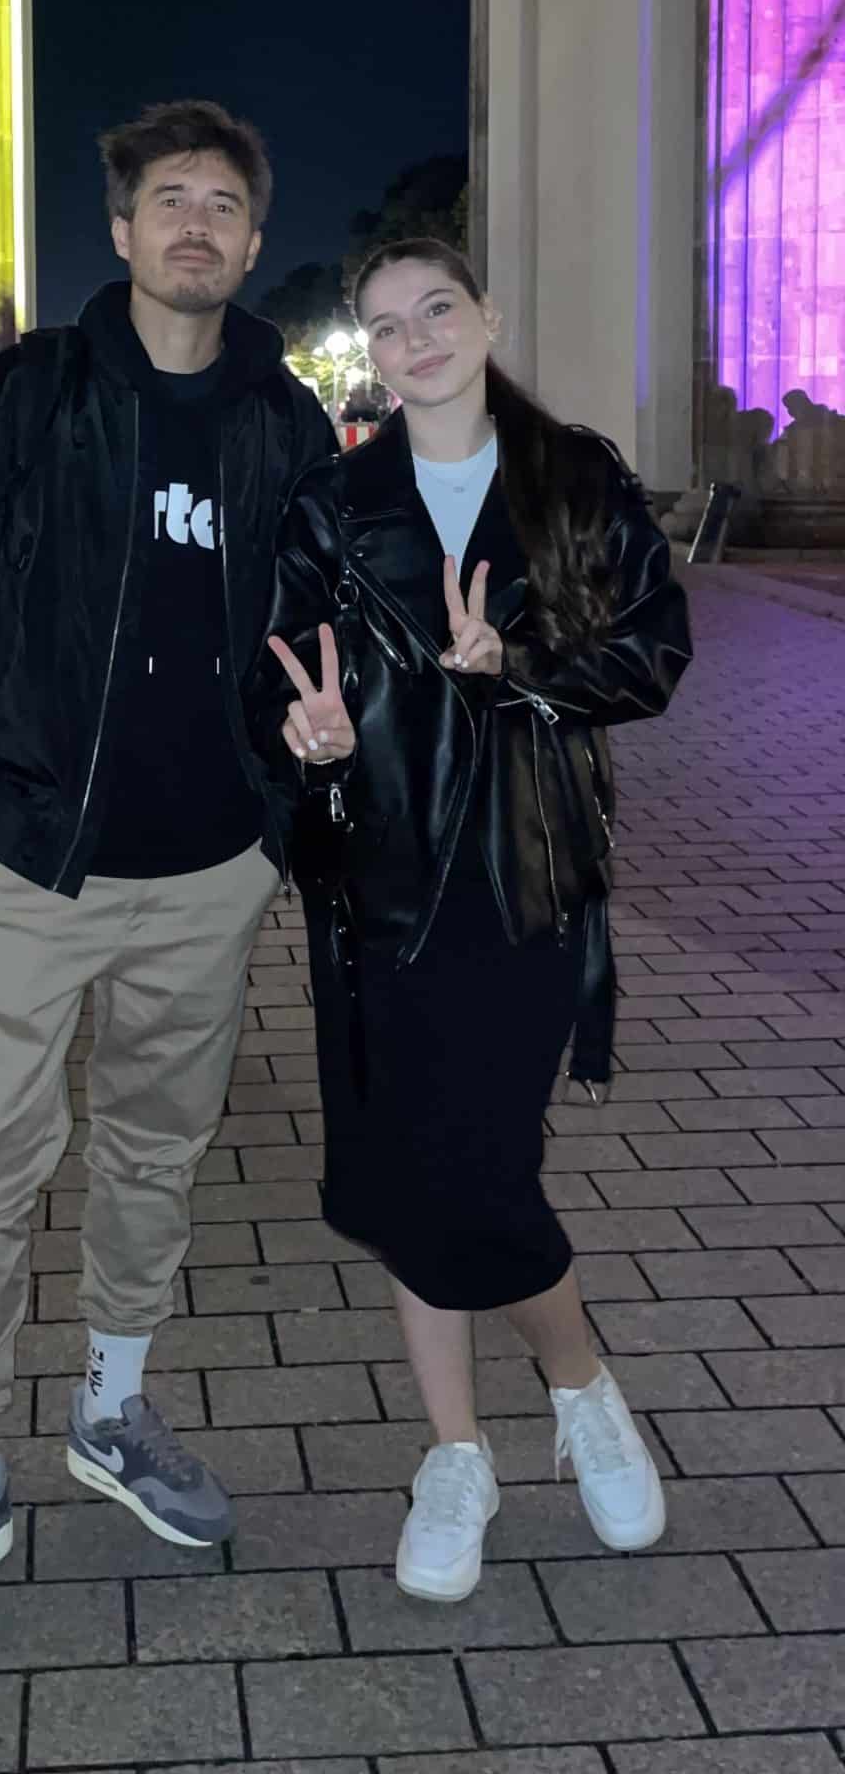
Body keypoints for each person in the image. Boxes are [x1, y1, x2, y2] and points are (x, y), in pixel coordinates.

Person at [0, 100, 336, 1655]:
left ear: (252, 240)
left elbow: (321, 624)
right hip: (29, 858)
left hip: (210, 868)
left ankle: (114, 1412)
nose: (195, 224)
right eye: (168, 199)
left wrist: (293, 785)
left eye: (222, 205)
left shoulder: (287, 423)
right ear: (120, 231)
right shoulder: (31, 395)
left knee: (156, 1150)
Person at [252, 238, 691, 1605]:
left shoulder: (575, 478)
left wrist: (523, 665)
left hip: (527, 867)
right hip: (377, 882)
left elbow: (655, 653)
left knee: (481, 1162)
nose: (417, 339)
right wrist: (311, 741)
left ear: (487, 315)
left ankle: (580, 1388)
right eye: (387, 325)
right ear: (371, 356)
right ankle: (458, 1454)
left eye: (437, 308)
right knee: (409, 1169)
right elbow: (278, 678)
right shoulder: (336, 501)